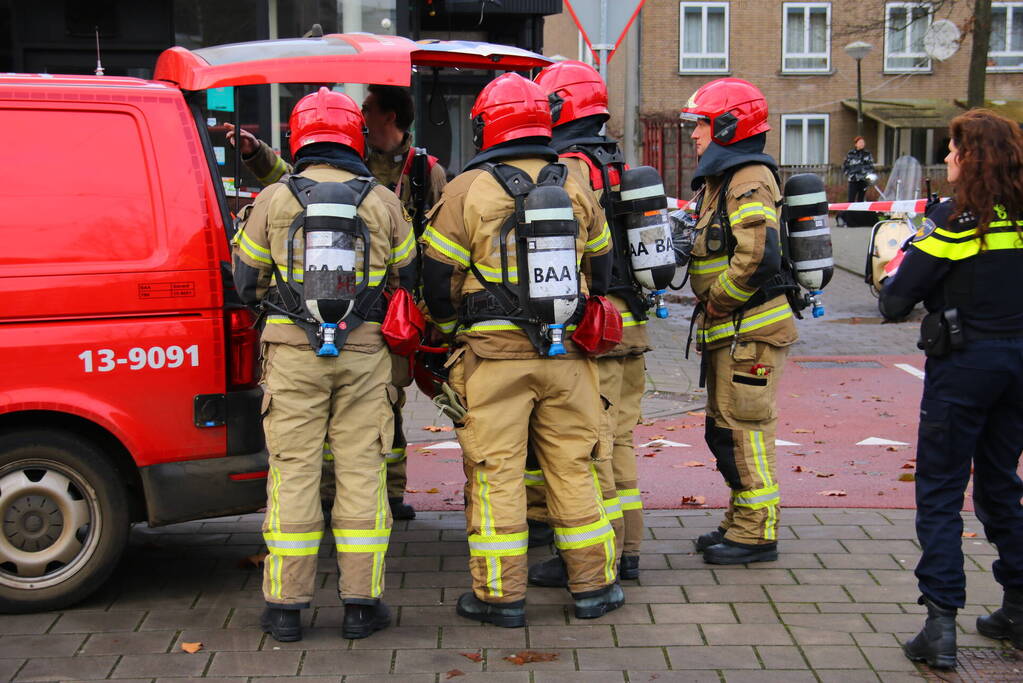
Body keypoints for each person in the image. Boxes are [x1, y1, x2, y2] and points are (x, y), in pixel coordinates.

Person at [421, 72, 623, 627]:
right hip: (569, 359)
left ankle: (500, 598)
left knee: (496, 474)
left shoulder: (465, 189)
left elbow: (436, 283)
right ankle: (594, 589)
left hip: (493, 363)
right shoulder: (577, 183)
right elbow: (602, 271)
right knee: (574, 467)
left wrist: (446, 335)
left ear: (488, 124)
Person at [233, 88, 416, 642]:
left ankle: (286, 608)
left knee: (295, 473)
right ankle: (362, 605)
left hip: (292, 356)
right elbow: (407, 278)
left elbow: (245, 283)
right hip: (364, 355)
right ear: (353, 137)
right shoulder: (382, 200)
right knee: (362, 471)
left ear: (298, 136)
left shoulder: (274, 200)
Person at [228, 84, 448, 521]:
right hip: (370, 324)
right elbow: (295, 179)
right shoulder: (357, 169)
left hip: (374, 312)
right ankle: (346, 501)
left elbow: (251, 276)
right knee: (369, 416)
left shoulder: (425, 170)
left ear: (389, 116)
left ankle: (393, 489)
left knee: (390, 408)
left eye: (369, 107)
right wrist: (257, 156)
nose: (364, 115)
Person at [879, 109, 1023, 669]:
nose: (946, 158)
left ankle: (940, 623)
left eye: (953, 150)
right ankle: (1017, 606)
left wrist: (899, 261)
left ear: (973, 158)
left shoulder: (956, 222)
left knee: (940, 489)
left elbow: (895, 301)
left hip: (964, 367)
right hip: (1018, 368)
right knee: (999, 482)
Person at [526, 60, 652, 587]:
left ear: (558, 108)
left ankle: (595, 555)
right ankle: (630, 549)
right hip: (634, 322)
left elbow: (574, 255)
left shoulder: (568, 169)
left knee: (588, 444)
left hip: (593, 328)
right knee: (618, 440)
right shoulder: (622, 162)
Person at [680, 78, 797, 565]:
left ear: (727, 125)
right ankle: (740, 521)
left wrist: (718, 302)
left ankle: (756, 534)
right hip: (734, 334)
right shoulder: (725, 180)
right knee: (725, 429)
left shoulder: (748, 177)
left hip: (747, 331)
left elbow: (758, 256)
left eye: (700, 125)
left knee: (745, 430)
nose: (694, 135)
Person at [842, 136, 875, 203]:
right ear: (856, 144)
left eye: (863, 142)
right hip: (853, 180)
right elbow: (845, 166)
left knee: (861, 200)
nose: (862, 144)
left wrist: (868, 175)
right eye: (860, 142)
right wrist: (849, 174)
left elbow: (871, 166)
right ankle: (850, 213)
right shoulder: (850, 154)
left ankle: (859, 213)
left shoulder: (867, 154)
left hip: (863, 180)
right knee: (851, 199)